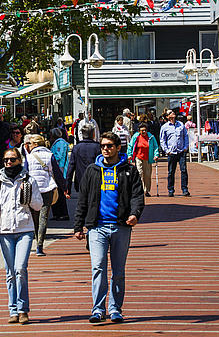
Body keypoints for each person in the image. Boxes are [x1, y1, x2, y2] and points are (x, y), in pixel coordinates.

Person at [74, 132, 145, 323]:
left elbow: (137, 196)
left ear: (118, 148)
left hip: (121, 226)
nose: (106, 149)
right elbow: (83, 199)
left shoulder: (128, 170)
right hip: (97, 227)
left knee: (118, 271)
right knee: (98, 267)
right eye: (103, 146)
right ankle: (98, 309)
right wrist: (78, 226)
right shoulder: (92, 170)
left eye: (109, 146)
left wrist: (134, 214)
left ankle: (115, 309)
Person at [0, 148, 43, 325]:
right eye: (6, 160)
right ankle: (13, 310)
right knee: (10, 272)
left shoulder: (29, 180)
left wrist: (28, 197)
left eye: (12, 160)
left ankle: (23, 309)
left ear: (20, 160)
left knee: (20, 269)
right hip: (5, 231)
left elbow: (39, 205)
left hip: (24, 229)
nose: (8, 163)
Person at [23, 134, 59, 256]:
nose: (29, 146)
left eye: (31, 143)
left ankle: (36, 240)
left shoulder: (29, 157)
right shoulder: (50, 155)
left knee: (34, 217)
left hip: (33, 190)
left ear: (36, 144)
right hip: (47, 188)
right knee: (44, 218)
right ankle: (40, 246)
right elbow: (57, 172)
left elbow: (25, 173)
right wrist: (65, 187)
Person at [159, 109, 190, 197]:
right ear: (167, 117)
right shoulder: (165, 127)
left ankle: (185, 189)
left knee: (183, 170)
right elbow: (162, 139)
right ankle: (171, 189)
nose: (172, 113)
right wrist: (166, 150)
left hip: (180, 151)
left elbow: (185, 136)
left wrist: (185, 147)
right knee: (171, 172)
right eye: (170, 113)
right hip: (171, 152)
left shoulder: (181, 124)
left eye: (173, 112)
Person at [67, 124, 100, 195]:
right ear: (93, 134)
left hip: (80, 181)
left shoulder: (77, 148)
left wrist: (68, 187)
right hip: (95, 181)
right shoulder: (97, 147)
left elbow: (71, 167)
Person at [127, 123, 159, 197]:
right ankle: (140, 190)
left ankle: (146, 190)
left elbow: (155, 146)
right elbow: (130, 146)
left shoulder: (151, 137)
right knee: (139, 173)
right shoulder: (136, 137)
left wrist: (156, 155)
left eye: (145, 130)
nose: (143, 132)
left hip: (148, 158)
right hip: (139, 157)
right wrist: (129, 155)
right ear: (139, 131)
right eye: (142, 131)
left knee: (147, 175)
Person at [49, 128, 71, 221]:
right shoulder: (58, 142)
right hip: (57, 170)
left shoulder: (60, 143)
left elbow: (58, 156)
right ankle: (57, 214)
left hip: (60, 171)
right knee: (55, 193)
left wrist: (50, 157)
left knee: (60, 194)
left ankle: (63, 214)